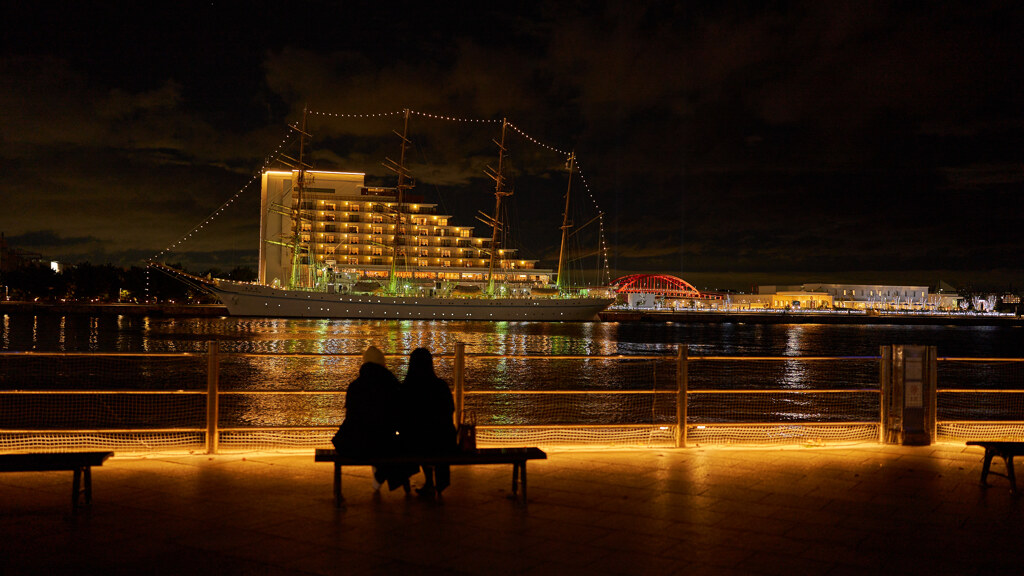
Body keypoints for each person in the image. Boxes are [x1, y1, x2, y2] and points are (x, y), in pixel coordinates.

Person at [332, 345, 416, 492]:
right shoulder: (392, 384)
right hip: (384, 442)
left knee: (375, 443)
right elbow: (399, 417)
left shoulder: (355, 386)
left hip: (357, 443)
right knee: (400, 447)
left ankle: (379, 476)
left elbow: (351, 418)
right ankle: (382, 476)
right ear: (382, 364)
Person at [400, 347, 457, 498]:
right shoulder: (441, 386)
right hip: (442, 442)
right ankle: (436, 483)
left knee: (413, 437)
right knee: (432, 436)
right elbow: (450, 410)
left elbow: (401, 417)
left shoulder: (407, 388)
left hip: (415, 443)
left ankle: (409, 482)